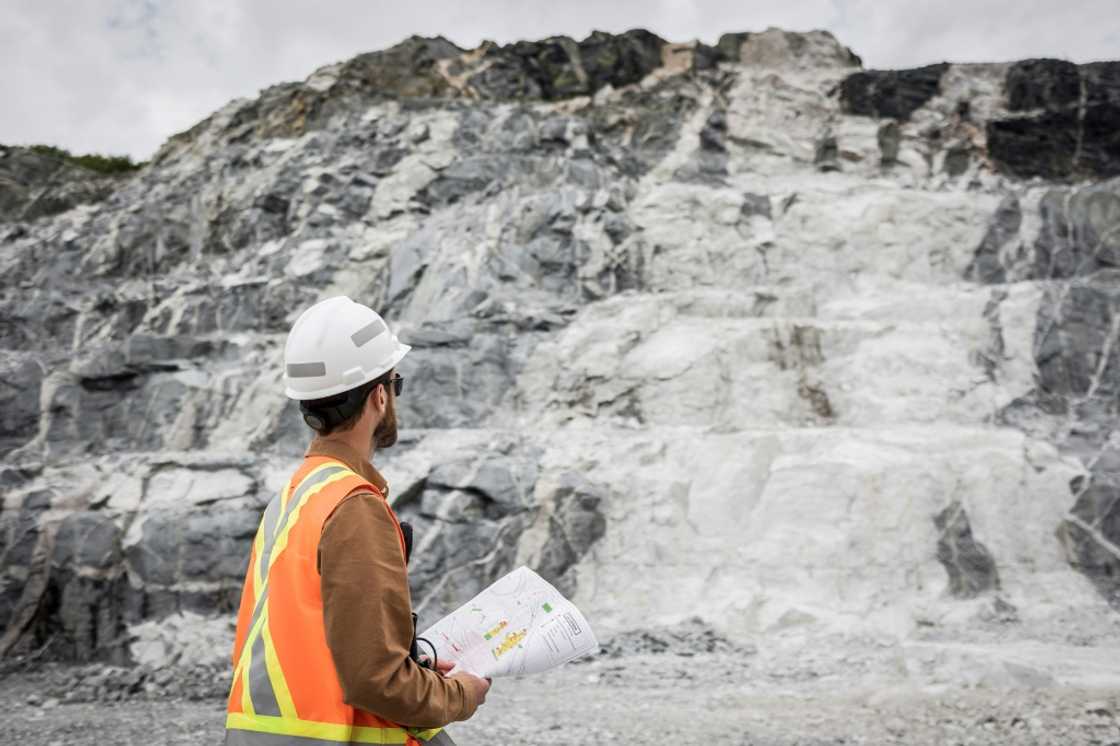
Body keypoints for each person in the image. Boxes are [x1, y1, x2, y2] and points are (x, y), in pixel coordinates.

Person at [225, 296, 490, 746]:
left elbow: (316, 644)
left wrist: (414, 669)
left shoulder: (293, 498)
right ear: (380, 395)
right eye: (394, 383)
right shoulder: (353, 506)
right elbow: (375, 680)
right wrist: (460, 693)